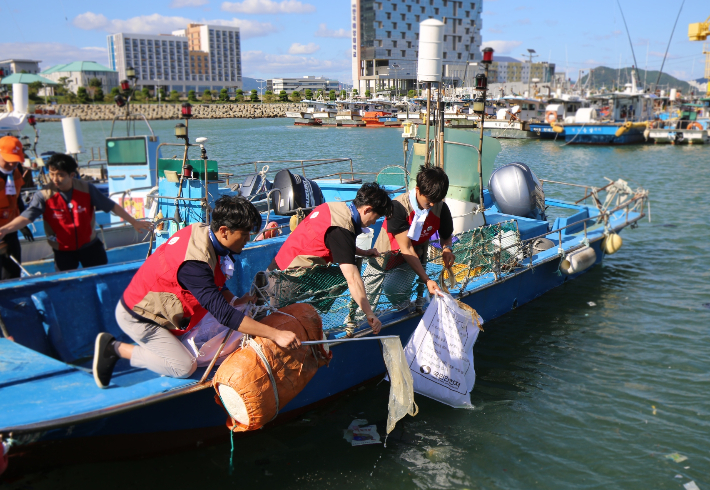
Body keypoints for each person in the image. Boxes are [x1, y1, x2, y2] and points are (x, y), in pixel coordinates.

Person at [93, 195, 301, 388]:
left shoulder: (208, 236)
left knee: (234, 319)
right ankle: (114, 348)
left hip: (167, 313)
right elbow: (224, 314)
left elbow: (217, 284)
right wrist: (276, 334)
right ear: (224, 231)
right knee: (184, 366)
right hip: (140, 318)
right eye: (245, 234)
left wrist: (237, 300)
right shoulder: (194, 264)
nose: (248, 239)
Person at [269, 182, 393, 335]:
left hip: (276, 266)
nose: (374, 223)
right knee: (277, 326)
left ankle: (310, 308)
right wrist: (369, 313)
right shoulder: (341, 229)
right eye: (376, 218)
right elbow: (353, 278)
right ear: (367, 209)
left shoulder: (334, 208)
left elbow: (339, 244)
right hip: (287, 278)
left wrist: (363, 252)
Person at [0, 153, 152, 272]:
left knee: (100, 277)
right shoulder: (44, 195)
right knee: (65, 285)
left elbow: (111, 206)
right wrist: (5, 229)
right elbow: (27, 217)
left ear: (72, 175)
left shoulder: (86, 189)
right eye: (51, 174)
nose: (55, 179)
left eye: (60, 175)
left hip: (90, 246)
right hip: (63, 251)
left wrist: (134, 222)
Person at [371, 166, 456, 309]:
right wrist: (427, 279)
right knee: (364, 301)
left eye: (437, 200)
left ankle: (405, 308)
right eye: (429, 201)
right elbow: (407, 247)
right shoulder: (398, 207)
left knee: (393, 289)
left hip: (409, 259)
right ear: (417, 190)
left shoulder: (441, 208)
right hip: (382, 258)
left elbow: (446, 236)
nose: (433, 205)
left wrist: (447, 249)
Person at [0, 136, 30, 279]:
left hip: (10, 230)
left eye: (15, 160)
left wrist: (22, 223)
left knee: (12, 273)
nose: (12, 163)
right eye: (8, 159)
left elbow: (16, 198)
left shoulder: (15, 169)